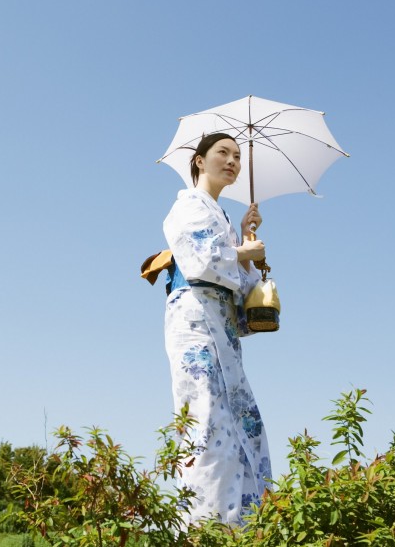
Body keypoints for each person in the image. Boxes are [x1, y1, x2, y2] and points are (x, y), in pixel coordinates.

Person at [162, 132, 272, 526]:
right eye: (222, 152)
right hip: (194, 321)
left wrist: (245, 238)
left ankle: (241, 524)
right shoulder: (188, 206)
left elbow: (238, 287)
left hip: (220, 327)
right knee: (206, 422)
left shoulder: (222, 217)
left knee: (237, 423)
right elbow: (198, 261)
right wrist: (241, 252)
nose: (232, 161)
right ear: (198, 161)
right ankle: (203, 527)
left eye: (238, 156)